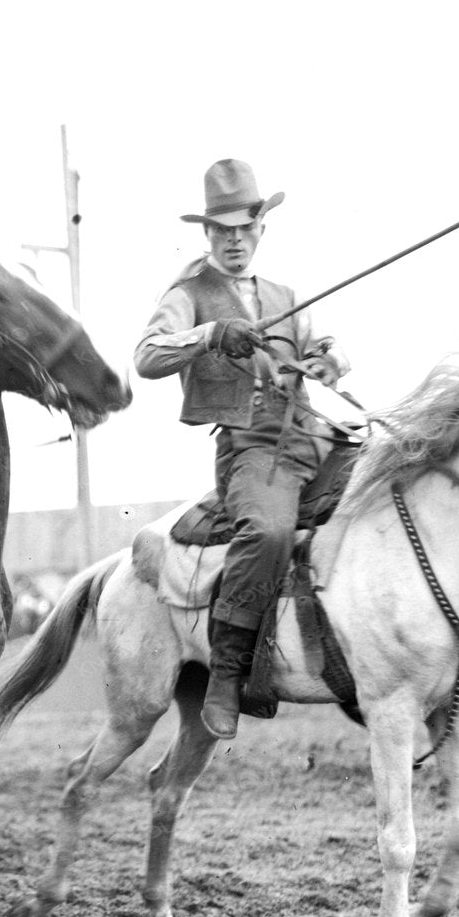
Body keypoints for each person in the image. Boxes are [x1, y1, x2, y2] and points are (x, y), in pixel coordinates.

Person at [135, 160, 351, 739]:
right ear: (207, 234)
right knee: (270, 532)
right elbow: (148, 355)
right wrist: (210, 335)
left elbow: (327, 348)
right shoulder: (188, 293)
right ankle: (228, 673)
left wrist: (327, 359)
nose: (234, 241)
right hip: (252, 449)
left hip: (313, 433)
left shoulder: (284, 294)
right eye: (222, 231)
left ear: (261, 230)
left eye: (244, 230)